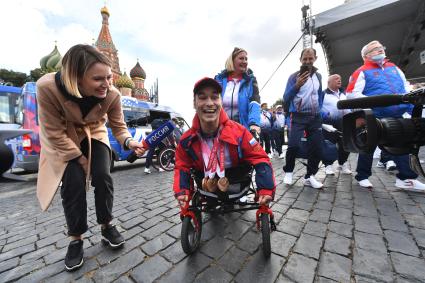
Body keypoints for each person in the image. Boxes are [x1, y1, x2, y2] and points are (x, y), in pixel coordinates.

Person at [36, 44, 145, 271]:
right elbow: (53, 133)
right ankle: (75, 239)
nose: (107, 84)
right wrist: (78, 158)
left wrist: (129, 141)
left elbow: (118, 127)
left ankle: (107, 225)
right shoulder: (47, 87)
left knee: (103, 176)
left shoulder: (112, 94)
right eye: (98, 79)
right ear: (75, 77)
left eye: (109, 77)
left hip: (94, 132)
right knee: (73, 182)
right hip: (64, 136)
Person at [173, 77, 275, 207]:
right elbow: (182, 165)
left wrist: (266, 189)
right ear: (194, 103)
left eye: (215, 97)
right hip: (206, 186)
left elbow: (260, 158)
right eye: (203, 98)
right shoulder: (186, 140)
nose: (209, 103)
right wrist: (182, 191)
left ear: (221, 102)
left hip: (237, 183)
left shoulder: (240, 132)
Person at [346, 40, 425, 191]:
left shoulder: (394, 68)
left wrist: (412, 104)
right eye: (375, 49)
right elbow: (351, 94)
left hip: (397, 115)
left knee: (402, 146)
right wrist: (373, 104)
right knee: (368, 147)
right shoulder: (361, 71)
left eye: (381, 48)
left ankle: (406, 178)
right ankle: (362, 176)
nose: (379, 50)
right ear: (366, 55)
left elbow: (406, 88)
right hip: (375, 117)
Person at [282, 48, 325, 189]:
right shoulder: (293, 77)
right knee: (293, 145)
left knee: (317, 147)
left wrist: (320, 108)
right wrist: (297, 85)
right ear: (300, 60)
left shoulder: (318, 76)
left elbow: (319, 94)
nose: (307, 61)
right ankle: (288, 171)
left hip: (315, 117)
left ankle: (310, 176)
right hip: (298, 116)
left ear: (315, 59)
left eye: (310, 59)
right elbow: (286, 97)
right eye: (305, 59)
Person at [214, 47, 261, 134]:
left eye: (246, 59)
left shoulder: (251, 81)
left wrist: (254, 123)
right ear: (232, 61)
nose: (244, 61)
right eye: (241, 58)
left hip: (242, 130)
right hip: (220, 130)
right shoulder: (218, 80)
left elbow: (255, 102)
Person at [321, 74, 352, 175]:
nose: (339, 80)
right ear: (329, 82)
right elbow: (317, 107)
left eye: (340, 78)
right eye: (336, 79)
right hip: (329, 123)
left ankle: (342, 163)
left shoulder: (344, 93)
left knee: (346, 144)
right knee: (329, 145)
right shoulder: (323, 94)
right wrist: (326, 114)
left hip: (344, 121)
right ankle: (328, 165)